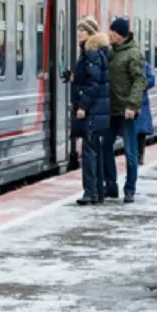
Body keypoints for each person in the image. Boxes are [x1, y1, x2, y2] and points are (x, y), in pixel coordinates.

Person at [104, 17, 146, 203]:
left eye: (112, 32)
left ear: (119, 34)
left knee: (130, 152)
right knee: (105, 147)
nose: (109, 34)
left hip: (127, 111)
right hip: (111, 109)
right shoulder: (111, 53)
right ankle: (111, 185)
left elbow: (139, 81)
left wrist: (132, 106)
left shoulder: (133, 54)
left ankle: (130, 189)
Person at [71, 17, 111, 205]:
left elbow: (93, 84)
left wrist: (82, 107)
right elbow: (91, 78)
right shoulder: (94, 53)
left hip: (93, 111)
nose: (80, 33)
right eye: (79, 30)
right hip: (98, 109)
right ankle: (98, 192)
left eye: (83, 30)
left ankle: (91, 192)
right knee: (95, 149)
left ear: (90, 34)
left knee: (89, 151)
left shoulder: (91, 53)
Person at [135, 59, 156, 166]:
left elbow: (151, 79)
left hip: (141, 101)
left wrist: (142, 85)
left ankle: (140, 156)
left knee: (141, 132)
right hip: (132, 101)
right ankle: (135, 155)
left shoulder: (144, 64)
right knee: (132, 131)